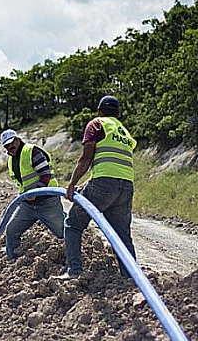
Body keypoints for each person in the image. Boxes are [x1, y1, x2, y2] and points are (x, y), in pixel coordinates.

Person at [54, 95, 137, 280]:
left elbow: (86, 158)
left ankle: (74, 272)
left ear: (99, 110)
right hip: (126, 186)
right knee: (122, 236)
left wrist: (72, 184)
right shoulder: (124, 132)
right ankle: (131, 277)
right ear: (117, 113)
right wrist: (87, 184)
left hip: (104, 184)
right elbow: (112, 164)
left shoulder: (97, 124)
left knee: (73, 224)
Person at [0, 128, 65, 261]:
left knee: (63, 232)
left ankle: (75, 258)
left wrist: (37, 191)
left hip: (47, 202)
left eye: (12, 143)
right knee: (11, 230)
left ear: (18, 140)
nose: (10, 147)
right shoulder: (11, 161)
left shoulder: (32, 151)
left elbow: (45, 174)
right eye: (7, 145)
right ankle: (12, 261)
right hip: (28, 206)